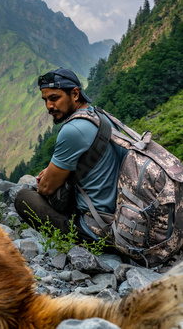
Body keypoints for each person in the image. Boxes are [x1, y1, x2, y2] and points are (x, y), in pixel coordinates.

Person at [14, 67, 127, 241]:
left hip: (98, 229)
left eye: (54, 98)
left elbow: (45, 188)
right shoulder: (102, 117)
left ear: (75, 94)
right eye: (45, 100)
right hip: (123, 219)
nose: (49, 106)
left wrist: (49, 178)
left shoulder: (73, 130)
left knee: (24, 197)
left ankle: (82, 241)